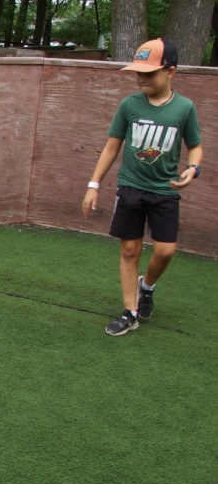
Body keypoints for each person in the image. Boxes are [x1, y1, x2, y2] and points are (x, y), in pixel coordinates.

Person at [82, 38, 203, 336]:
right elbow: (112, 147)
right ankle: (130, 311)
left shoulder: (184, 108)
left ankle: (146, 286)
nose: (141, 78)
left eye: (149, 73)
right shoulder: (129, 105)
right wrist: (93, 184)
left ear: (170, 71)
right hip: (131, 187)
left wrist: (193, 168)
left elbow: (195, 147)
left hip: (165, 191)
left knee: (165, 251)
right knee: (129, 250)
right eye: (138, 72)